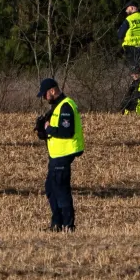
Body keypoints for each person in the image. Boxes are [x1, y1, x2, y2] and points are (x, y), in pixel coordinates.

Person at [35, 78, 83, 231]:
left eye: (45, 94)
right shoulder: (56, 107)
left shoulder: (66, 106)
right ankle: (56, 224)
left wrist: (48, 129)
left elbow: (66, 132)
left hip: (64, 153)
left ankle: (68, 225)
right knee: (51, 188)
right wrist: (42, 131)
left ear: (52, 90)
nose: (44, 97)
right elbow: (52, 131)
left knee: (61, 189)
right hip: (56, 155)